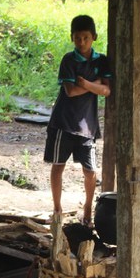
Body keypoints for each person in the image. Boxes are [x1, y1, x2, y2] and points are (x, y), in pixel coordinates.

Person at [44, 15, 112, 226]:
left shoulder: (101, 60)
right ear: (72, 37)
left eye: (85, 38)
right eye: (77, 38)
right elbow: (71, 91)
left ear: (94, 37)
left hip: (87, 126)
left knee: (90, 171)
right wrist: (94, 84)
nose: (81, 42)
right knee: (58, 166)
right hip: (63, 122)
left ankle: (88, 210)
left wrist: (87, 83)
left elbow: (107, 90)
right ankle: (57, 209)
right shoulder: (68, 59)